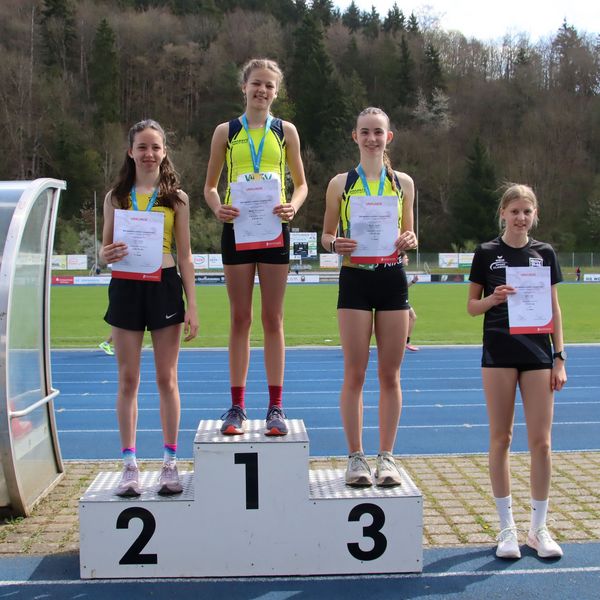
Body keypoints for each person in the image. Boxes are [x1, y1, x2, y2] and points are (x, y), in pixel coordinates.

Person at [204, 58, 308, 436]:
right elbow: (210, 186)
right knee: (240, 319)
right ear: (244, 87)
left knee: (273, 319)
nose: (262, 90)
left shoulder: (286, 131)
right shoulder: (226, 132)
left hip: (275, 229)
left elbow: (301, 184)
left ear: (276, 92)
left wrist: (293, 206)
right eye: (256, 84)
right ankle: (236, 406)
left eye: (269, 85)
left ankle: (276, 407)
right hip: (238, 230)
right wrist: (218, 207)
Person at [467, 183, 567, 559]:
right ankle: (506, 528)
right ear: (503, 214)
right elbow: (471, 307)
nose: (521, 217)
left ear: (534, 214)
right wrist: (493, 299)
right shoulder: (486, 253)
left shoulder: (545, 253)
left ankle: (538, 529)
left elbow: (554, 308)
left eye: (527, 211)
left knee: (542, 442)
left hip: (539, 355)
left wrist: (560, 357)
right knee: (501, 439)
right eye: (514, 211)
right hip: (498, 353)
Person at [101, 119, 199, 497]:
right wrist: (106, 253)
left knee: (166, 379)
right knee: (128, 380)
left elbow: (185, 255)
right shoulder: (116, 197)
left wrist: (192, 306)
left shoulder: (177, 199)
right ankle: (129, 466)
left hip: (165, 287)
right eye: (142, 147)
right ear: (130, 151)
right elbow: (104, 251)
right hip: (126, 288)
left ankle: (170, 462)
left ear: (164, 152)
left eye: (155, 147)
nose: (149, 154)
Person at [322, 107, 417, 487]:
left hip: (392, 278)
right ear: (355, 136)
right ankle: (356, 457)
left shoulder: (403, 183)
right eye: (365, 132)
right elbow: (326, 235)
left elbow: (410, 234)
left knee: (390, 374)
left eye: (378, 132)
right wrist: (334, 244)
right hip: (355, 279)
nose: (372, 138)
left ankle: (387, 457)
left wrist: (410, 239)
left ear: (388, 137)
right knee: (355, 373)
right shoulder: (340, 184)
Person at [400, 251, 419, 351]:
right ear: (400, 259)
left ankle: (406, 341)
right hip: (398, 300)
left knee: (412, 317)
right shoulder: (399, 271)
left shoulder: (400, 270)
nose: (408, 259)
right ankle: (406, 342)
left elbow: (403, 287)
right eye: (406, 258)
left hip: (401, 299)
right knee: (412, 317)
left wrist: (413, 281)